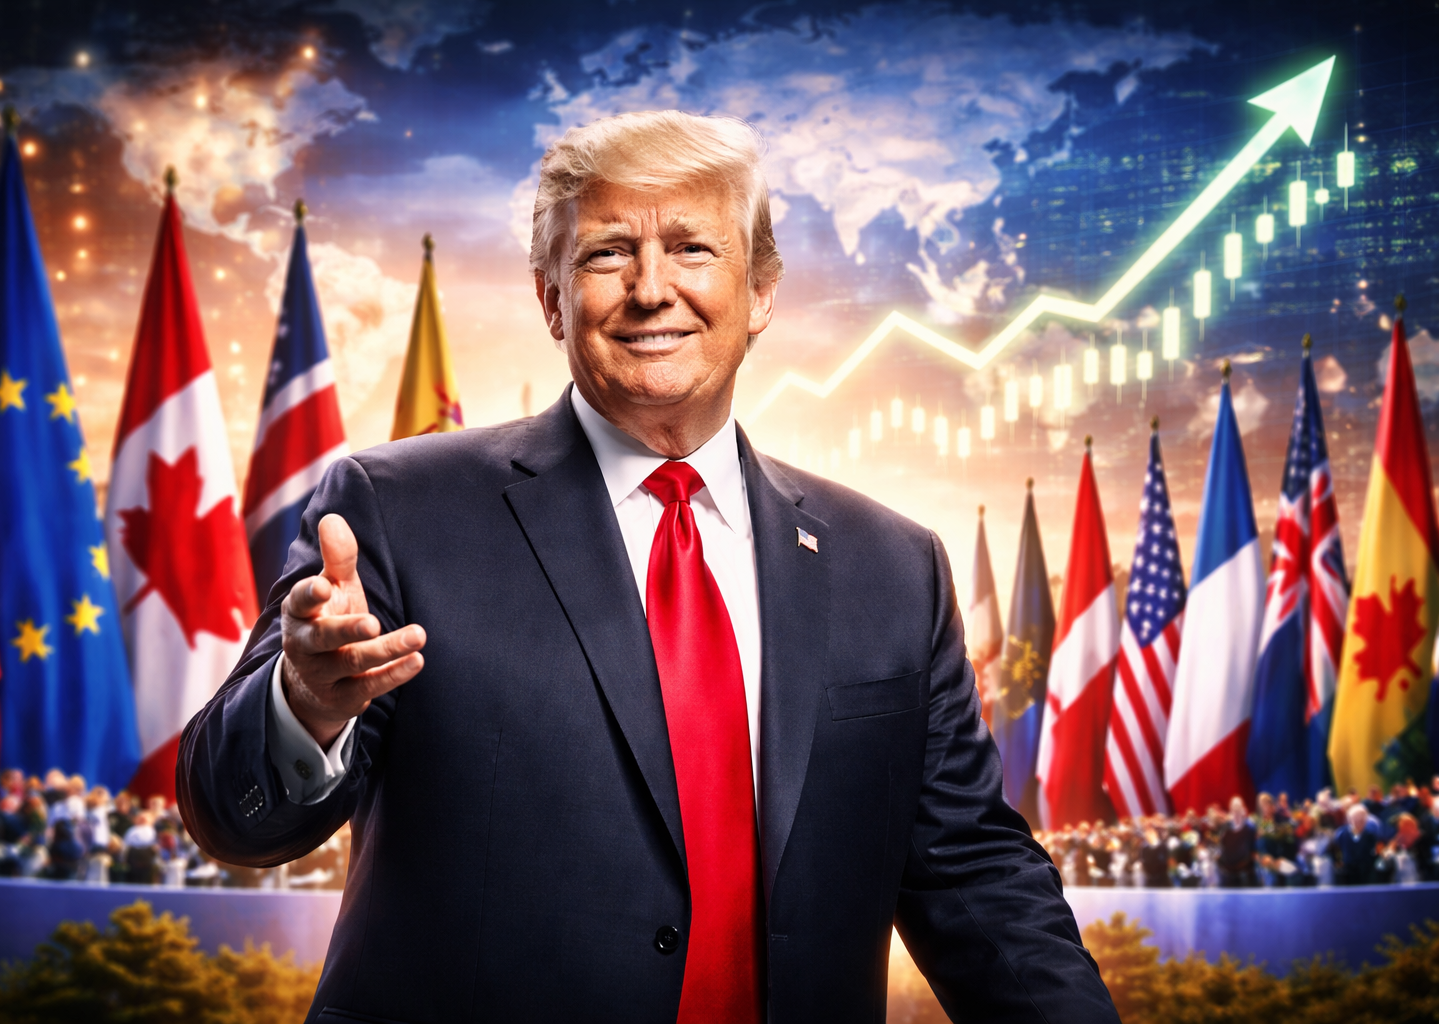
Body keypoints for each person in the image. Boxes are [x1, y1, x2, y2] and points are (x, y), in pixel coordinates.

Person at [179, 110, 1117, 1023]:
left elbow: (976, 877)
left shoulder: (894, 566)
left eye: (694, 250)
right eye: (606, 253)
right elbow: (236, 817)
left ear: (761, 292)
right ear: (551, 299)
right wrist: (306, 706)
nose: (651, 288)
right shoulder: (395, 510)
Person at [1333, 804, 1380, 885]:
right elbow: (1337, 850)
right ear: (1350, 820)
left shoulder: (1371, 836)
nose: (1359, 823)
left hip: (1366, 874)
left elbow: (1374, 853)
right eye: (1356, 820)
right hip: (1347, 875)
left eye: (1362, 821)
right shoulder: (1341, 834)